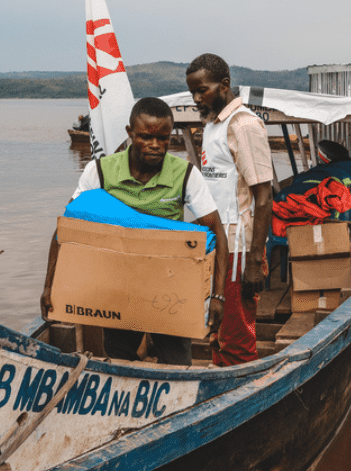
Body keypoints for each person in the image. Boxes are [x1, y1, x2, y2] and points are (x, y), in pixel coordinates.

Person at [40, 97, 229, 366]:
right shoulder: (101, 172)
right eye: (145, 137)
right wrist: (50, 286)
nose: (155, 145)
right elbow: (66, 229)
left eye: (163, 138)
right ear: (130, 133)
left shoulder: (185, 174)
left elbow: (217, 233)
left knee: (177, 365)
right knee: (119, 360)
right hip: (118, 285)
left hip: (170, 287)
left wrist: (218, 296)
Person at [186, 53, 274, 367]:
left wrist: (254, 260)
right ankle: (217, 380)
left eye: (203, 90)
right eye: (193, 92)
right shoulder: (212, 125)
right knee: (217, 330)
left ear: (224, 85)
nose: (197, 98)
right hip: (215, 246)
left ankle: (236, 392)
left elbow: (264, 197)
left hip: (238, 249)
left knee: (236, 338)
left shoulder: (245, 125)